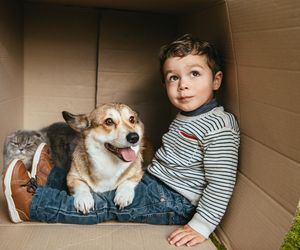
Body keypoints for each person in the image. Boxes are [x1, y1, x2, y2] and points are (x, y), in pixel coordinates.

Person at [3, 34, 240, 247]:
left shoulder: (220, 126)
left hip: (175, 201)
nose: (183, 85)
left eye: (194, 74)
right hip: (155, 182)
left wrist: (202, 226)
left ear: (216, 80)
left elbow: (222, 183)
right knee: (104, 183)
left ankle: (34, 205)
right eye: (173, 78)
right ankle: (49, 175)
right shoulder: (188, 115)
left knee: (105, 204)